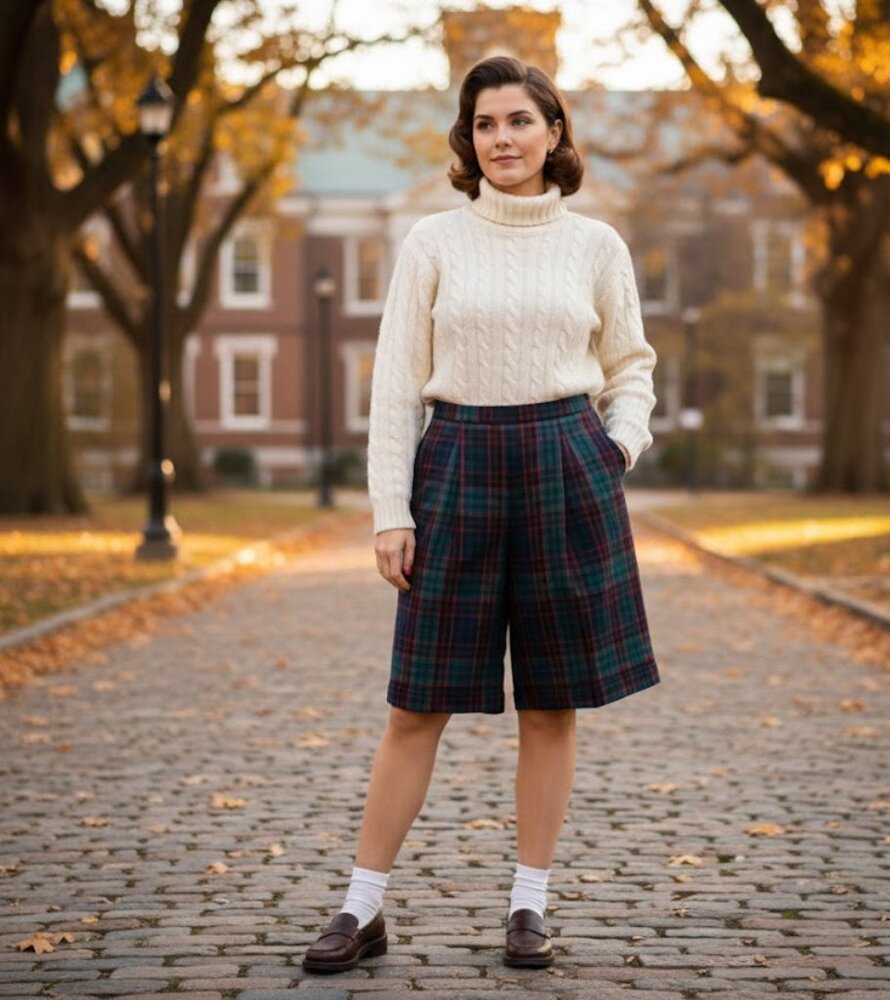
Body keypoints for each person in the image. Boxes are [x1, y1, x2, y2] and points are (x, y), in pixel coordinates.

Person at [302, 54, 660, 975]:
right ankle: (361, 905)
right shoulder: (432, 241)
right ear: (469, 140)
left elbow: (631, 366)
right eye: (486, 125)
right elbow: (393, 390)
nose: (502, 139)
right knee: (416, 705)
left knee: (550, 702)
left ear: (553, 133)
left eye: (519, 121)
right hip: (455, 464)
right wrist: (392, 509)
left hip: (565, 469)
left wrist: (614, 447)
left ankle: (529, 907)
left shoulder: (597, 246)